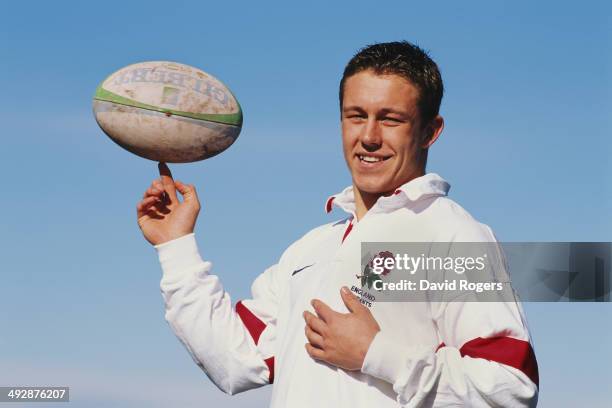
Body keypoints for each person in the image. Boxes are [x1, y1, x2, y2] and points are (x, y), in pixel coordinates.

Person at [136, 41, 539, 407]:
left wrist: (377, 354)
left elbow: (510, 387)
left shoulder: (453, 236)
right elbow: (235, 361)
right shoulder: (309, 251)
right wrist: (176, 247)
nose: (368, 136)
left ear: (430, 132)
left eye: (391, 119)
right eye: (356, 116)